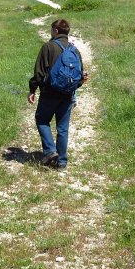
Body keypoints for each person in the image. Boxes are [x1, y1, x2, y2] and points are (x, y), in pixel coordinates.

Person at [28, 18, 88, 169]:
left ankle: (50, 151)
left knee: (42, 119)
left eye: (51, 30)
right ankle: (61, 162)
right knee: (62, 128)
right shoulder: (74, 50)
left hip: (49, 93)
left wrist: (32, 89)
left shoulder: (48, 47)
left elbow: (39, 73)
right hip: (67, 95)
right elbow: (80, 76)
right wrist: (75, 87)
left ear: (55, 30)